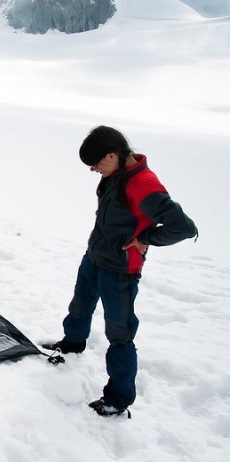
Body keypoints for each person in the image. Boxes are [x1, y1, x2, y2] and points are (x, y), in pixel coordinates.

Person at [43, 126, 197, 417]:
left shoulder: (144, 183)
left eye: (96, 163)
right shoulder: (113, 175)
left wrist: (146, 239)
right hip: (95, 257)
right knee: (79, 307)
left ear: (112, 155)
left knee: (120, 333)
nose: (93, 170)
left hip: (120, 271)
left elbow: (184, 227)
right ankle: (72, 345)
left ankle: (118, 398)